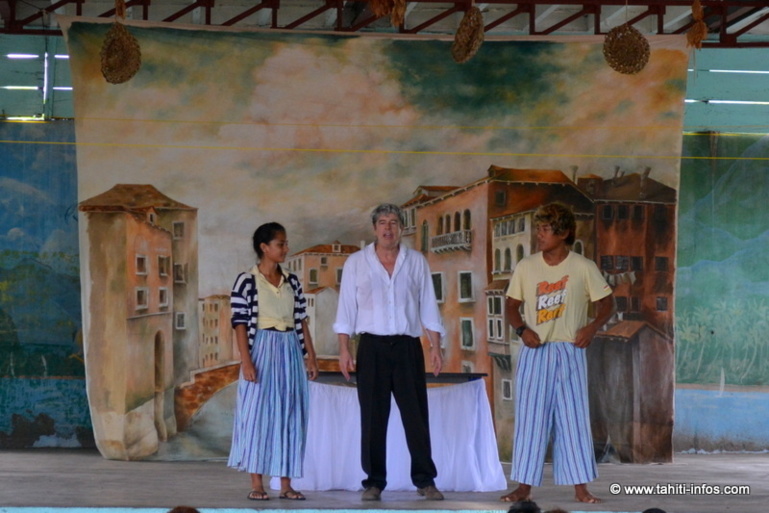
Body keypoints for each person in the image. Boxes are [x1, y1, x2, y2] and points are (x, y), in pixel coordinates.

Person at [500, 202, 614, 505]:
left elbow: (607, 303)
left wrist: (592, 328)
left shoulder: (583, 266)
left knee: (573, 419)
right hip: (535, 352)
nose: (539, 234)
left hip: (570, 351)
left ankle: (581, 489)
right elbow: (511, 305)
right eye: (538, 228)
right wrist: (522, 330)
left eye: (545, 229)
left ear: (562, 232)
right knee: (531, 420)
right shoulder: (526, 266)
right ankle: (524, 489)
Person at [334, 203, 445, 501]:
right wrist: (344, 349)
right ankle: (373, 481)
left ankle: (425, 480)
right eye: (382, 222)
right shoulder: (356, 262)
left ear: (401, 228)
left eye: (394, 222)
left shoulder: (416, 261)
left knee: (416, 417)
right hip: (371, 346)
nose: (388, 228)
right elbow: (346, 309)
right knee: (373, 417)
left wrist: (436, 347)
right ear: (374, 228)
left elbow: (428, 307)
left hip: (408, 346)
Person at [228, 222, 319, 501]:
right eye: (280, 244)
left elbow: (301, 320)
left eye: (285, 243)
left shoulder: (292, 280)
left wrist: (310, 356)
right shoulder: (246, 281)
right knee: (258, 414)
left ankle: (286, 484)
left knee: (290, 413)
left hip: (289, 347)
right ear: (264, 248)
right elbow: (240, 323)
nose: (285, 248)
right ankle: (257, 483)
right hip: (262, 348)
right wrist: (247, 361)